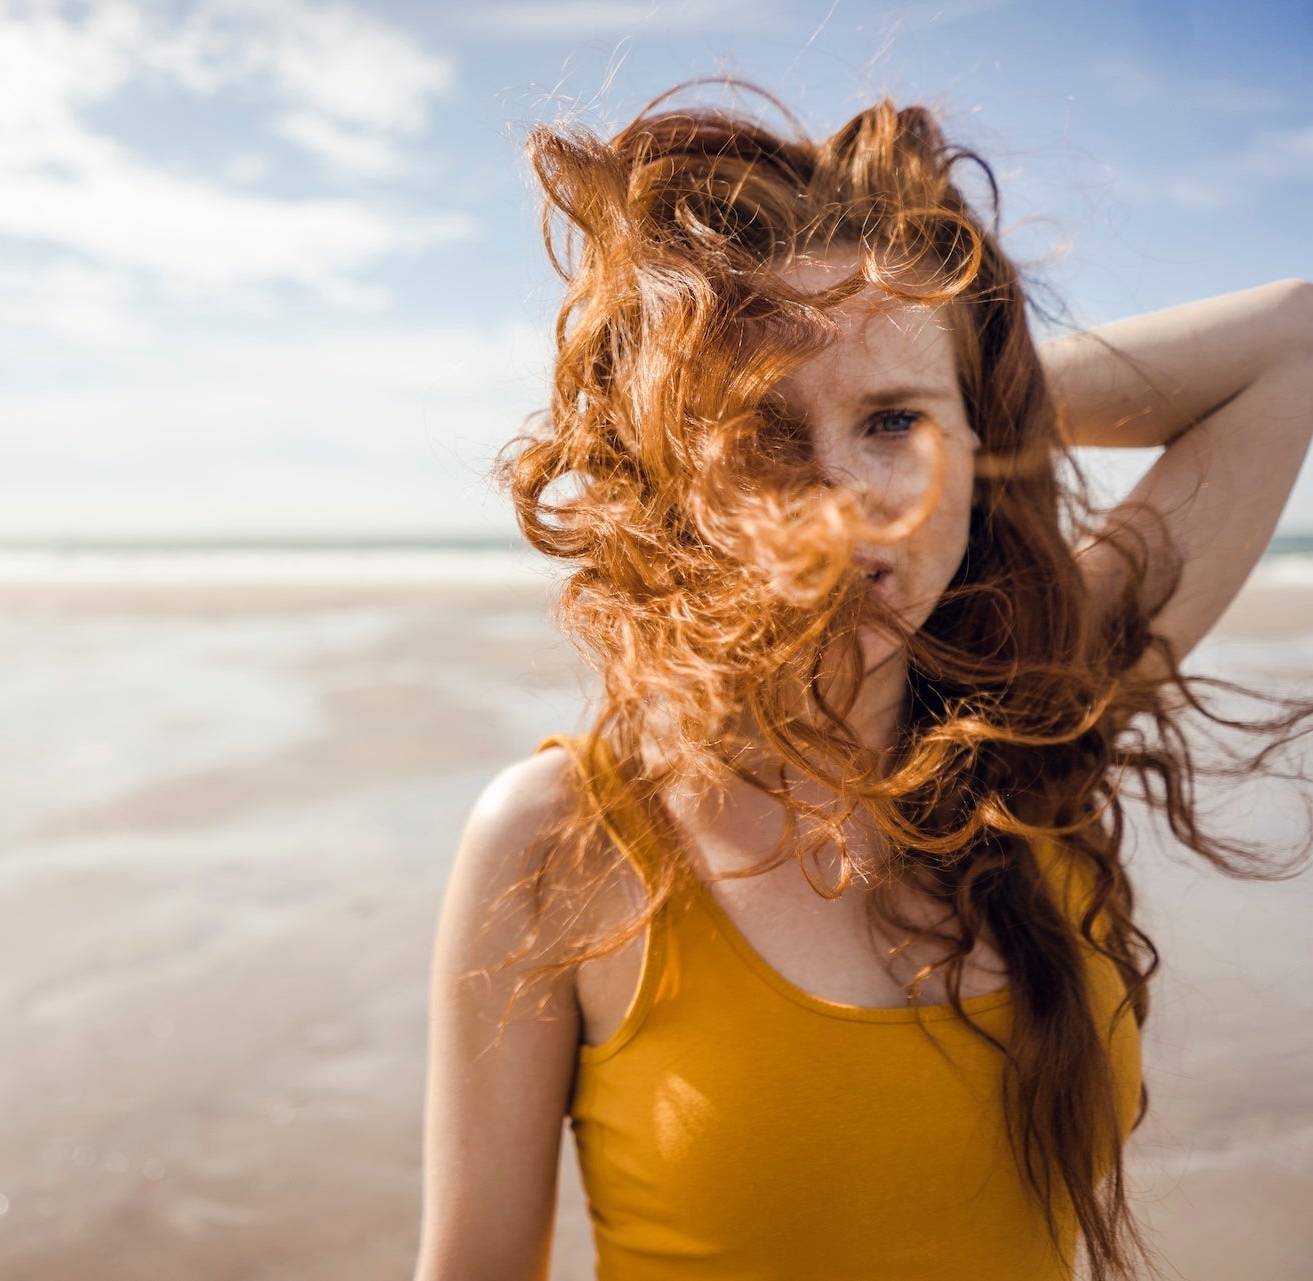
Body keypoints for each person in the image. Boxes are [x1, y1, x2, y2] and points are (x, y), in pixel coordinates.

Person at [415, 78, 1313, 1281]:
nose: (843, 501)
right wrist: (894, 385)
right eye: (765, 436)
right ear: (675, 476)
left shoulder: (1036, 724)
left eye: (892, 425)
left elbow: (1291, 340)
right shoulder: (566, 841)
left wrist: (972, 383)